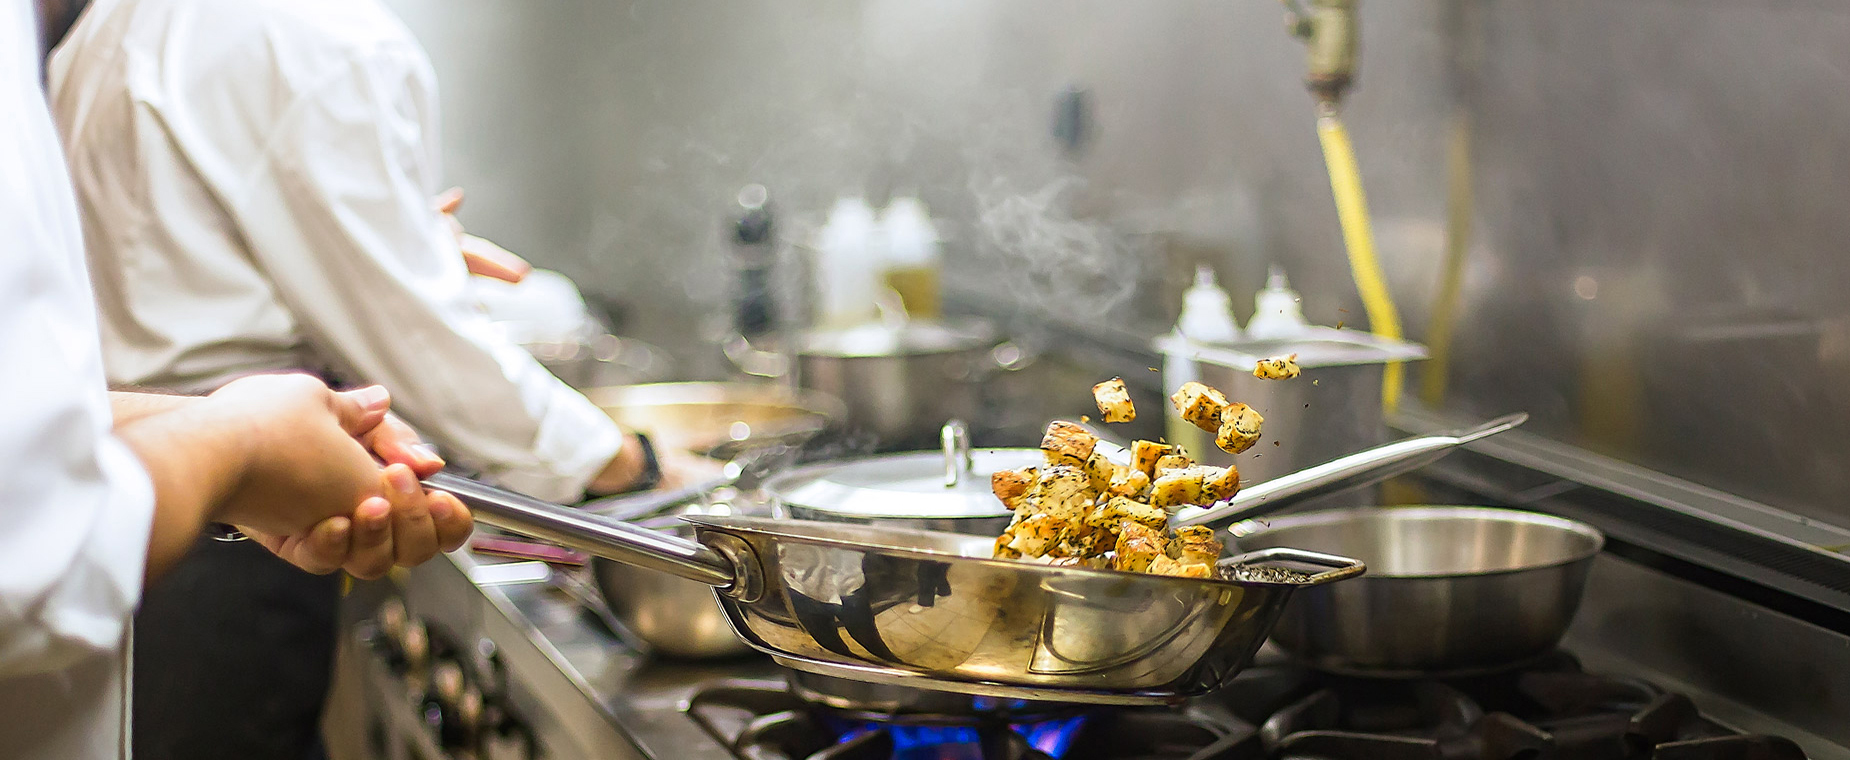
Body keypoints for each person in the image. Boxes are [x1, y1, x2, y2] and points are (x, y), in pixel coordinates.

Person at [42, 0, 717, 756]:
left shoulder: (122, 21)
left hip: (150, 486)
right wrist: (625, 464)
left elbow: (180, 246)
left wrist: (398, 250)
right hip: (209, 519)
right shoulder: (312, 33)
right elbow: (420, 343)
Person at [1, 2, 474, 756]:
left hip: (167, 488)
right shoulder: (311, 34)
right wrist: (239, 442)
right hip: (175, 520)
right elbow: (26, 556)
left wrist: (217, 436)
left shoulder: (101, 32)